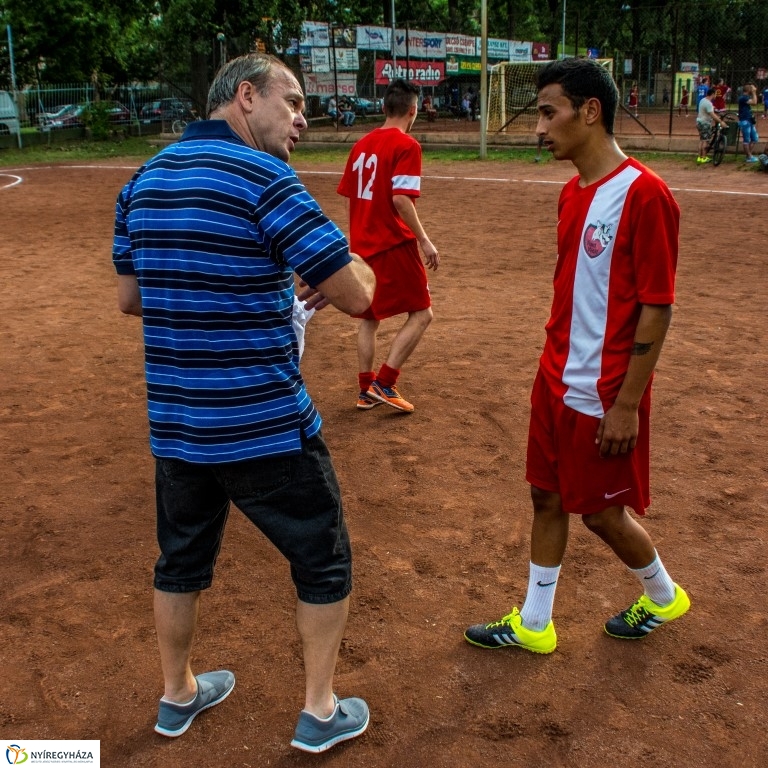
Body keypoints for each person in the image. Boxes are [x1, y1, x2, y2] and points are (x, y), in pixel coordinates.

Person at [112, 53, 376, 753]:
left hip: (177, 424)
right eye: (292, 103)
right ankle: (319, 709)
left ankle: (178, 695)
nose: (300, 121)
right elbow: (355, 295)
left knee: (180, 562)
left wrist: (245, 289)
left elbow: (132, 298)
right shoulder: (266, 176)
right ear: (245, 96)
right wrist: (359, 269)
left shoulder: (142, 180)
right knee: (322, 560)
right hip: (265, 422)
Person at [465, 57, 690, 656]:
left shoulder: (646, 196)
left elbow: (657, 307)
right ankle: (536, 623)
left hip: (603, 392)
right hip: (555, 377)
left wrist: (627, 406)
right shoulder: (572, 193)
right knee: (546, 496)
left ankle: (665, 595)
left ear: (590, 112)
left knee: (603, 516)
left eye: (548, 112)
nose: (538, 127)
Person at [336, 79, 440, 413]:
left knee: (370, 319)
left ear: (383, 107)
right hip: (394, 244)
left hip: (363, 246)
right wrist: (423, 239)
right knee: (422, 313)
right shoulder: (407, 145)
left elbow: (354, 195)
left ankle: (366, 389)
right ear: (413, 111)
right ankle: (386, 381)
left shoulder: (361, 144)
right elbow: (400, 199)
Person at [696, 86, 727, 164]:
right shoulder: (709, 103)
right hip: (705, 123)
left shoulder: (703, 100)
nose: (715, 96)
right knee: (705, 141)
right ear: (712, 94)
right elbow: (712, 114)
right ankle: (703, 157)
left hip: (699, 122)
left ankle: (699, 157)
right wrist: (721, 121)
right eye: (715, 94)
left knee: (702, 140)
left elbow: (708, 110)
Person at [737, 83, 759, 163]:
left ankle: (749, 155)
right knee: (746, 140)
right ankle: (749, 157)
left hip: (749, 120)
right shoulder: (743, 98)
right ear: (749, 90)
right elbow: (754, 102)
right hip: (745, 121)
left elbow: (754, 102)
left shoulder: (746, 97)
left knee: (754, 138)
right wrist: (754, 92)